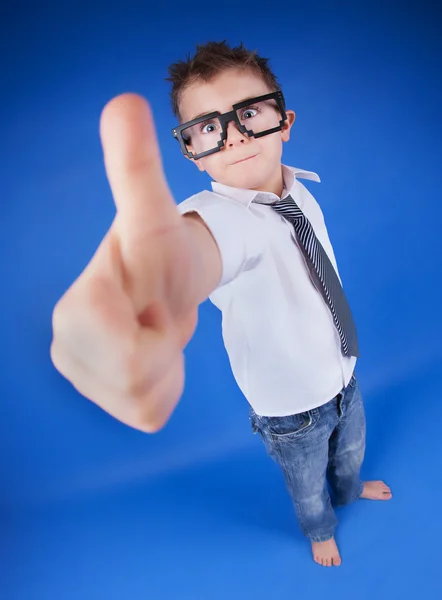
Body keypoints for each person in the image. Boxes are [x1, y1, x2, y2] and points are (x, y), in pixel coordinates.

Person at [50, 40, 392, 567]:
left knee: (350, 455)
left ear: (285, 121)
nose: (233, 136)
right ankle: (320, 528)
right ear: (191, 150)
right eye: (209, 127)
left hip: (345, 371)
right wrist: (163, 274)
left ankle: (348, 492)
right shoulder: (219, 217)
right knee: (306, 484)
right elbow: (202, 247)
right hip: (290, 408)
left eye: (250, 113)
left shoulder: (301, 192)